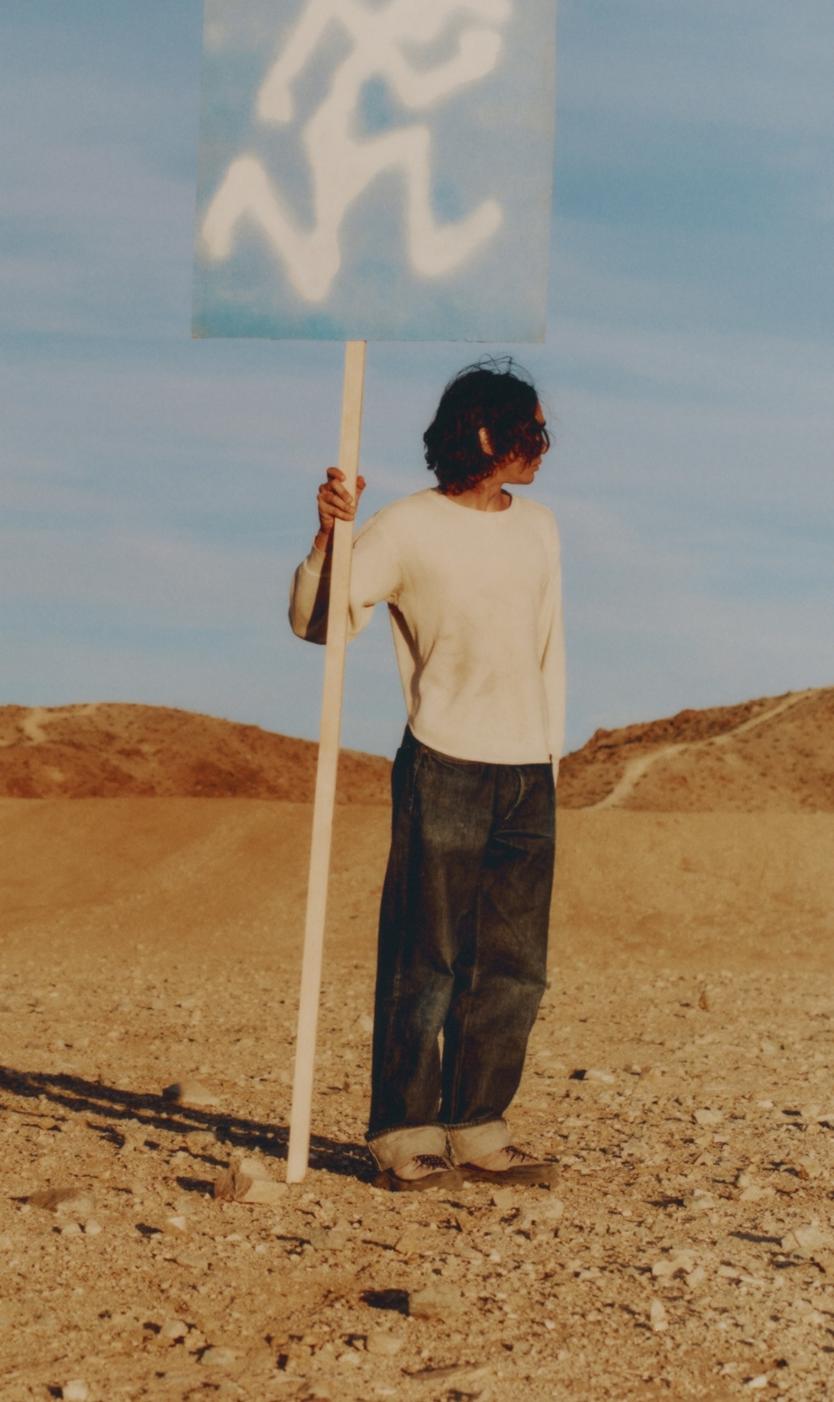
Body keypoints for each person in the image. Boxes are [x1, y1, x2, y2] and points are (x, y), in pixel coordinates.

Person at [290, 359, 563, 1192]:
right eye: (534, 433)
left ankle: (478, 1127)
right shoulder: (408, 528)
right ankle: (404, 1131)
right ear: (486, 436)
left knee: (514, 965)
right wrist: (328, 539)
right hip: (443, 759)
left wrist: (552, 754)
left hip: (529, 768)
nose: (546, 449)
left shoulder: (542, 527)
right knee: (427, 957)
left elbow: (546, 647)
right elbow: (320, 622)